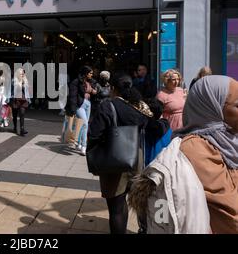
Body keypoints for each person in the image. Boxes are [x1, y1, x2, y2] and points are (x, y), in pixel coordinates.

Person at [130, 75, 238, 234]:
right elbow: (231, 216)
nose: (175, 82)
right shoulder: (198, 148)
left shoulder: (227, 141)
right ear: (213, 107)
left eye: (177, 79)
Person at [87, 73, 151, 234]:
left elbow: (94, 134)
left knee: (116, 208)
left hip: (114, 161)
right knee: (139, 202)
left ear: (113, 89)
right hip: (136, 158)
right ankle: (144, 228)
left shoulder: (108, 106)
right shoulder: (140, 106)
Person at [67, 66, 97, 155]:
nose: (92, 75)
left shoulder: (91, 81)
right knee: (84, 124)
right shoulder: (76, 82)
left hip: (88, 104)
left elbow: (95, 91)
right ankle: (84, 146)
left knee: (84, 125)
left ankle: (79, 143)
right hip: (79, 105)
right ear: (85, 73)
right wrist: (73, 109)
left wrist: (93, 90)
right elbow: (72, 96)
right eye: (90, 73)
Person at [10, 68, 31, 136]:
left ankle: (22, 129)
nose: (22, 74)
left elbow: (28, 90)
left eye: (23, 73)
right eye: (21, 73)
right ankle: (15, 127)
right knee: (15, 115)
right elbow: (11, 90)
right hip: (15, 99)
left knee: (22, 113)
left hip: (23, 100)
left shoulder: (25, 80)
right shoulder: (14, 80)